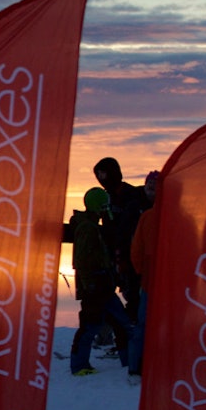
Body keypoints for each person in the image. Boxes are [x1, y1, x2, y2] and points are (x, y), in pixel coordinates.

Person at [70, 187, 136, 377]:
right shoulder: (87, 228)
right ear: (97, 206)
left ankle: (128, 361)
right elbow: (81, 261)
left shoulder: (92, 226)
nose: (106, 209)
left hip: (103, 285)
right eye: (104, 205)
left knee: (122, 324)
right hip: (95, 287)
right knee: (90, 325)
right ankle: (79, 365)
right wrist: (89, 285)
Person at [93, 157, 152, 321]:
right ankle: (126, 338)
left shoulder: (134, 196)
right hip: (116, 258)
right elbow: (108, 229)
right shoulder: (106, 199)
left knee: (135, 299)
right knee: (119, 300)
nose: (102, 178)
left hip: (135, 258)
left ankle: (133, 336)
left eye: (104, 174)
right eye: (99, 175)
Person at [126, 170, 160, 379]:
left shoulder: (147, 217)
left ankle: (136, 366)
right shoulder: (178, 216)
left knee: (143, 324)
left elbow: (135, 250)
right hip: (164, 281)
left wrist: (141, 272)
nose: (151, 191)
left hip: (150, 281)